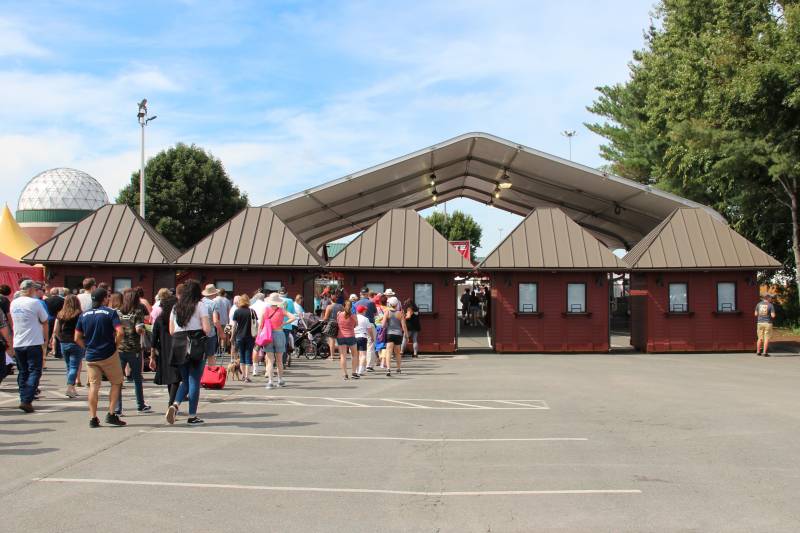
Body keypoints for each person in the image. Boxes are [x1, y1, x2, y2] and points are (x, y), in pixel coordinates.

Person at [75, 288, 126, 427]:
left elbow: (77, 337)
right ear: (104, 299)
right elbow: (120, 332)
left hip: (91, 355)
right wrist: (115, 345)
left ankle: (93, 417)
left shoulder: (84, 315)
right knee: (116, 382)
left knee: (94, 386)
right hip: (108, 353)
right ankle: (111, 413)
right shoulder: (110, 313)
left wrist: (86, 348)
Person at [167, 280, 211, 425]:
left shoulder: (176, 307)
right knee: (194, 380)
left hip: (178, 343)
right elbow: (206, 328)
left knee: (185, 380)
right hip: (195, 343)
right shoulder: (200, 305)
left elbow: (171, 330)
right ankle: (192, 415)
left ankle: (175, 404)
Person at [10, 280, 49, 413]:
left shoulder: (14, 303)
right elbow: (44, 321)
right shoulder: (34, 303)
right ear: (31, 289)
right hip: (33, 342)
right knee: (35, 371)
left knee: (23, 371)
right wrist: (46, 339)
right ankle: (26, 400)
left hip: (18, 341)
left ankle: (24, 398)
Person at [115, 289, 151, 414]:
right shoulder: (137, 312)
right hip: (134, 348)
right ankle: (140, 404)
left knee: (118, 380)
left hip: (119, 348)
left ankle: (117, 407)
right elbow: (138, 329)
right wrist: (144, 330)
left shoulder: (117, 311)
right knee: (137, 378)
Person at [149, 293, 181, 407]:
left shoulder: (159, 319)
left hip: (163, 350)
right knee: (176, 378)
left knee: (169, 377)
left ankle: (171, 401)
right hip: (177, 348)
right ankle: (171, 403)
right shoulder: (177, 318)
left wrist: (152, 356)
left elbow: (153, 339)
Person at [52, 294, 83, 398]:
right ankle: (70, 387)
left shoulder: (61, 314)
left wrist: (60, 338)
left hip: (64, 342)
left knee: (69, 366)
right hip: (76, 342)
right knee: (74, 366)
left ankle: (72, 388)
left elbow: (56, 330)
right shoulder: (79, 314)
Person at [262, 292, 295, 388]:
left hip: (268, 335)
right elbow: (293, 317)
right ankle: (280, 380)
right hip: (279, 333)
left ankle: (270, 381)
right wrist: (284, 324)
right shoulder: (281, 310)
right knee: (279, 360)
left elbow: (262, 324)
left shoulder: (266, 310)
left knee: (270, 360)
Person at [231, 294, 257, 382]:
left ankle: (242, 376)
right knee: (248, 356)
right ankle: (247, 376)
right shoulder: (252, 311)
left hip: (239, 336)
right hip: (250, 336)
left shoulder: (237, 311)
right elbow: (255, 324)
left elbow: (234, 326)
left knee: (241, 355)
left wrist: (232, 336)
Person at [382, 296, 408, 376]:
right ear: (397, 304)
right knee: (397, 353)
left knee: (388, 352)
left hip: (389, 333)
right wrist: (406, 336)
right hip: (398, 334)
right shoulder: (400, 313)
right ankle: (398, 368)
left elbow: (383, 325)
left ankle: (388, 369)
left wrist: (387, 325)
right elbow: (403, 326)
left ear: (389, 304)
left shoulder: (387, 312)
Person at [355, 288, 378, 371]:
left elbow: (353, 314)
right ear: (368, 294)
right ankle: (369, 365)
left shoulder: (356, 303)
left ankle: (360, 366)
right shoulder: (371, 303)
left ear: (361, 293)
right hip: (370, 324)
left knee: (359, 347)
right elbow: (376, 314)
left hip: (358, 325)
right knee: (370, 345)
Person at [336, 298, 359, 380]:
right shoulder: (353, 316)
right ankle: (353, 372)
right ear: (351, 307)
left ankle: (345, 374)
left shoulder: (339, 314)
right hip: (351, 336)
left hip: (341, 336)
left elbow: (337, 323)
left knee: (343, 356)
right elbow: (356, 325)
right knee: (354, 355)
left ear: (343, 306)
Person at [201, 284, 222, 365]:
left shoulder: (200, 302)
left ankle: (201, 375)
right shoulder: (213, 304)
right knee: (211, 356)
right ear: (213, 294)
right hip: (210, 333)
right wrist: (221, 333)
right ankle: (210, 374)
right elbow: (216, 321)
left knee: (201, 356)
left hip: (200, 332)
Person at [355, 305, 376, 376]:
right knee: (363, 354)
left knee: (356, 355)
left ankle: (356, 369)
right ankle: (360, 370)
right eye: (364, 310)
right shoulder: (365, 319)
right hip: (362, 336)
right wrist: (372, 337)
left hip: (354, 336)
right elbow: (369, 330)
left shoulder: (353, 317)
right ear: (363, 311)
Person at [322, 294, 344, 363]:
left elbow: (325, 318)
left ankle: (332, 356)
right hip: (339, 323)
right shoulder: (341, 306)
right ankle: (341, 355)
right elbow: (344, 314)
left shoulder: (329, 306)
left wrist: (323, 319)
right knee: (340, 340)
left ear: (331, 300)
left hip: (332, 323)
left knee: (332, 340)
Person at [45, 287, 65, 359]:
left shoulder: (46, 300)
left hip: (49, 318)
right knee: (57, 334)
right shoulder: (62, 300)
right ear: (58, 292)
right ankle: (58, 352)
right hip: (59, 318)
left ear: (51, 293)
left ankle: (46, 351)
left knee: (48, 334)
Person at [279, 287, 296, 367]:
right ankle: (283, 362)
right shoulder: (290, 301)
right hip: (287, 325)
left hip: (277, 325)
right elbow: (293, 312)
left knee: (276, 343)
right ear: (286, 293)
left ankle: (276, 361)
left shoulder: (276, 300)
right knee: (284, 343)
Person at [214, 288, 233, 354]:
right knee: (226, 335)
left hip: (216, 320)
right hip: (226, 320)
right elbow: (229, 311)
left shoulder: (214, 300)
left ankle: (218, 348)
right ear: (224, 293)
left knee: (218, 334)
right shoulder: (227, 301)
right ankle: (224, 348)